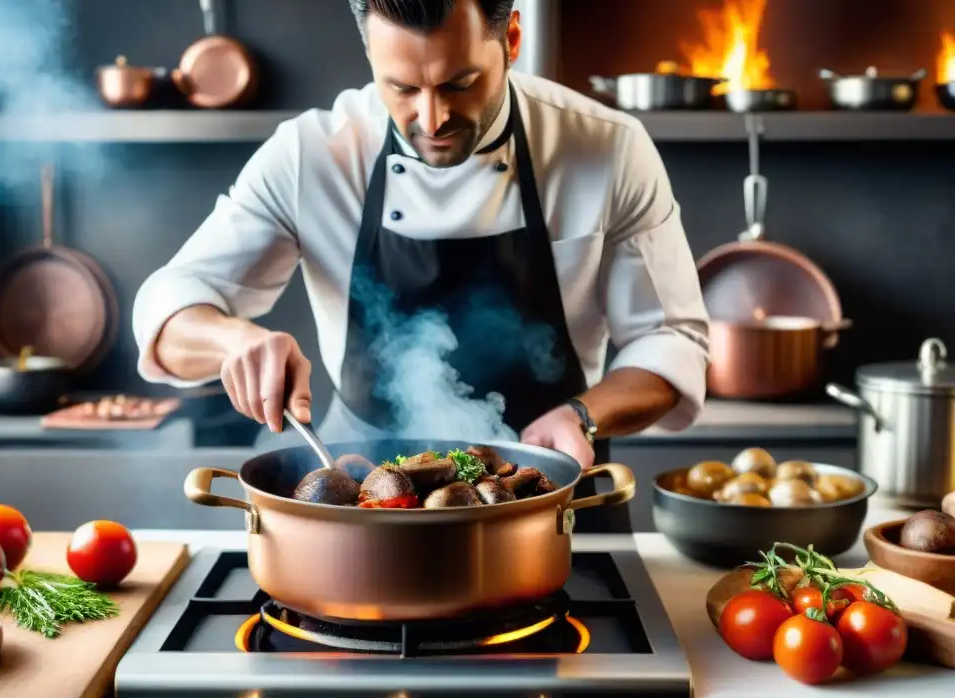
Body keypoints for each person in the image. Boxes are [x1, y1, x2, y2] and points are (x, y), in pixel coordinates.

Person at [132, 0, 710, 470]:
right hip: (362, 488)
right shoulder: (312, 155)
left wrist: (582, 416)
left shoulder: (607, 146)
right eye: (403, 88)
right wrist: (233, 342)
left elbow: (672, 341)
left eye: (460, 84)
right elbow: (169, 307)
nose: (431, 120)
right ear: (369, 53)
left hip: (553, 487)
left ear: (511, 39)